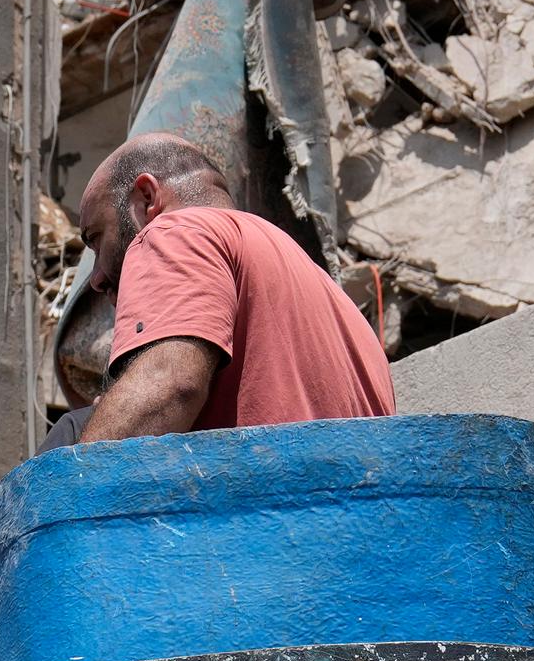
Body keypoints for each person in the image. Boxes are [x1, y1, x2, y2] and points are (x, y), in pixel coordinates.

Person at [69, 132, 394, 443]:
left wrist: (74, 487)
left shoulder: (174, 232)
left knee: (72, 433)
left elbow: (170, 385)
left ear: (147, 198)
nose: (95, 278)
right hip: (368, 495)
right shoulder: (329, 293)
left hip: (270, 497)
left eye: (96, 239)